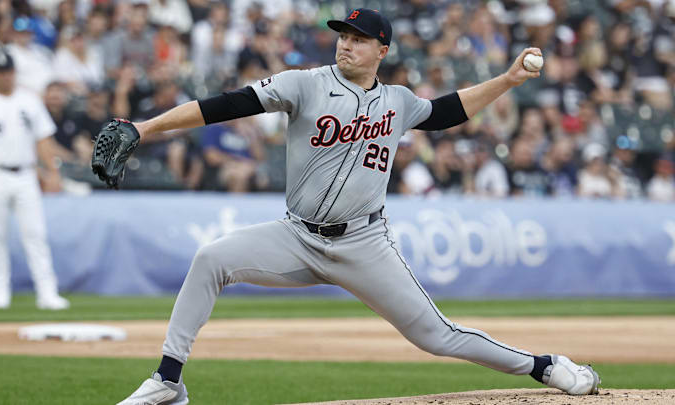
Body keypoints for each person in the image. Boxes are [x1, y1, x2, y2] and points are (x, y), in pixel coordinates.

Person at [114, 9, 599, 404]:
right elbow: (223, 105)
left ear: (382, 50)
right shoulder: (303, 83)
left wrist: (508, 80)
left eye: (359, 39)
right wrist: (144, 128)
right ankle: (168, 381)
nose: (346, 44)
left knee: (437, 335)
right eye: (343, 35)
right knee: (210, 259)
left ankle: (546, 367)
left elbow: (447, 111)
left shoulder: (398, 101)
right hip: (297, 237)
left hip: (365, 243)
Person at [0, 51, 69, 310]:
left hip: (26, 173)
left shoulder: (29, 101)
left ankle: (47, 292)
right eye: (1, 73)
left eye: (10, 72)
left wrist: (52, 172)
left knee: (35, 233)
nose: (7, 77)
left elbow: (43, 139)